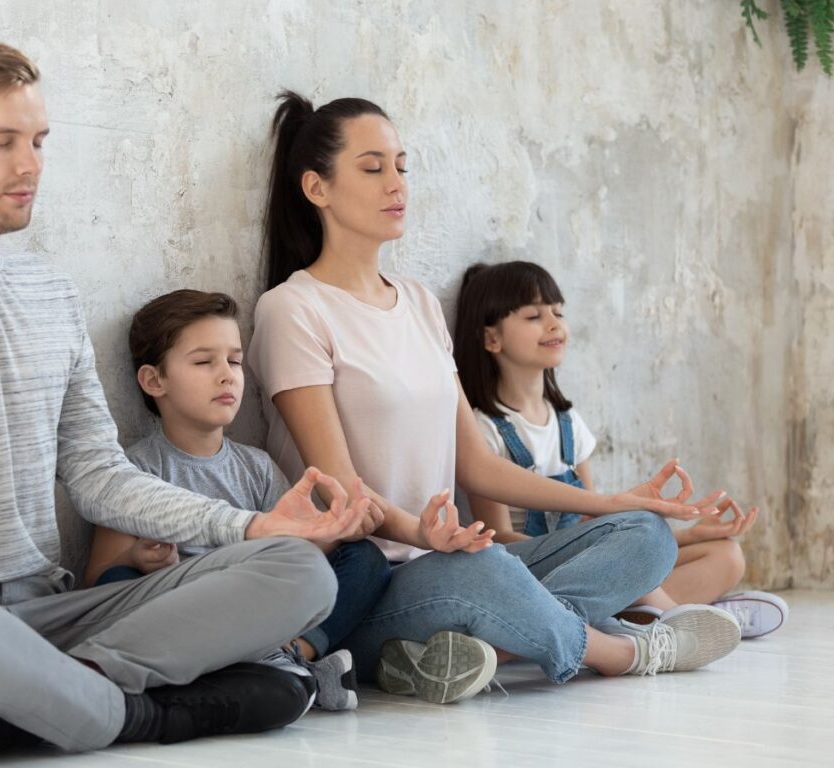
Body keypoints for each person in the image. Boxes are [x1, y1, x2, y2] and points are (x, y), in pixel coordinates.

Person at [0, 37, 371, 766]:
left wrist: (250, 523)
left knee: (297, 569)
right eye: (3, 141)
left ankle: (46, 701)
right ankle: (147, 717)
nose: (30, 164)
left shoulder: (52, 295)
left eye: (39, 140)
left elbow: (99, 475)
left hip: (50, 619)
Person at [246, 90, 744, 704]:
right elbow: (340, 490)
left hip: (450, 565)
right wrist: (428, 539)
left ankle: (480, 648)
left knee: (643, 533)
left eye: (402, 166)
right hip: (365, 585)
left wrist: (607, 501)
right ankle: (619, 650)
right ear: (317, 189)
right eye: (372, 168)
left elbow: (479, 465)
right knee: (485, 570)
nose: (395, 183)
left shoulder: (420, 302)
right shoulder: (292, 310)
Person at [85, 288, 393, 709]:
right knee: (117, 586)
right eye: (203, 361)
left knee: (364, 559)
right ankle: (262, 667)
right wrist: (141, 562)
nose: (226, 374)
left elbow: (296, 559)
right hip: (188, 617)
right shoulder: (135, 472)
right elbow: (99, 583)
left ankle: (291, 655)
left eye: (233, 360)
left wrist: (334, 531)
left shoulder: (257, 467)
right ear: (155, 380)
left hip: (259, 614)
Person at [452, 260, 788, 640]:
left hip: (587, 560)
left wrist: (692, 535)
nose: (554, 324)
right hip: (531, 571)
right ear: (492, 339)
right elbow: (495, 538)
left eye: (558, 312)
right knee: (629, 572)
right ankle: (692, 626)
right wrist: (589, 555)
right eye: (534, 316)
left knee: (726, 554)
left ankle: (646, 620)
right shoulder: (485, 430)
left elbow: (592, 524)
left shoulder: (568, 423)